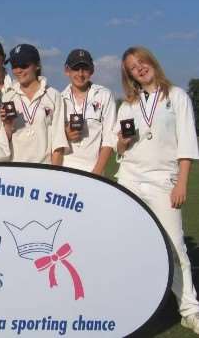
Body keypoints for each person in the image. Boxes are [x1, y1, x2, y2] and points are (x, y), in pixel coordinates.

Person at [116, 46, 199, 334]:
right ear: (128, 75)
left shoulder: (177, 97)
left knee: (175, 247)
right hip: (129, 178)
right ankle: (133, 305)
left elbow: (187, 143)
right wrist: (122, 143)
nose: (139, 68)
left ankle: (190, 309)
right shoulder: (128, 105)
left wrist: (181, 183)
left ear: (152, 62)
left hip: (164, 181)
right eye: (131, 67)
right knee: (131, 246)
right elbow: (119, 149)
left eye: (141, 62)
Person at [0, 44, 68, 164]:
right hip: (15, 170)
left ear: (37, 65)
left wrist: (54, 174)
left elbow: (58, 141)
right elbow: (3, 144)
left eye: (24, 65)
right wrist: (7, 126)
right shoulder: (7, 96)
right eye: (14, 66)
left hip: (43, 170)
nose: (18, 70)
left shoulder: (53, 95)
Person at [61, 49, 116, 175]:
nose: (80, 74)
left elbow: (109, 139)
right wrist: (65, 134)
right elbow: (54, 139)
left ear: (92, 70)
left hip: (93, 172)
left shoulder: (104, 95)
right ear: (67, 70)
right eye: (75, 69)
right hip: (64, 170)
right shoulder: (59, 98)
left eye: (85, 69)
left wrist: (96, 173)